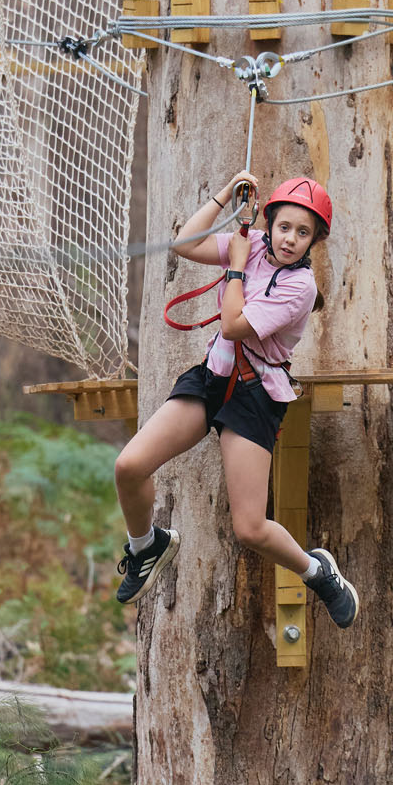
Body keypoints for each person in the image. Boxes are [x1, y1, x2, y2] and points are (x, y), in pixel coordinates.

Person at [110, 172, 359, 629]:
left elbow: (233, 325)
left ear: (314, 241)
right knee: (128, 467)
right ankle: (147, 546)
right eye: (284, 227)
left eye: (303, 233)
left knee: (249, 528)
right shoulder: (255, 242)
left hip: (254, 394)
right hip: (214, 376)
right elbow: (185, 244)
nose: (289, 240)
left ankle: (317, 572)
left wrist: (237, 266)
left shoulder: (299, 289)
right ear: (271, 222)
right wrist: (227, 194)